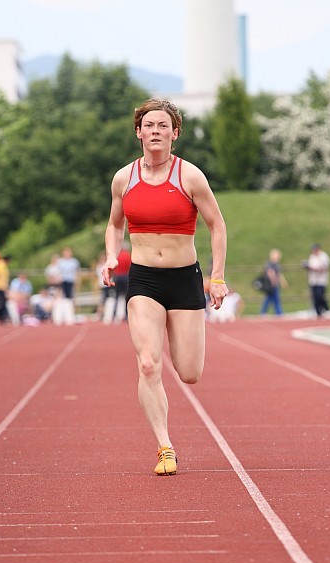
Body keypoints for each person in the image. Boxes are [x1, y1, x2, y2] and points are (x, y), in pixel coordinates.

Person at [102, 98, 228, 476]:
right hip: (144, 280)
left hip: (184, 277)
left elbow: (217, 226)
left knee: (189, 372)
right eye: (149, 125)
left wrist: (217, 277)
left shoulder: (190, 176)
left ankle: (166, 438)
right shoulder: (124, 178)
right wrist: (112, 255)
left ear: (175, 134)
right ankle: (164, 446)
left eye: (163, 126)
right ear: (138, 132)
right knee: (148, 362)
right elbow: (113, 224)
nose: (155, 131)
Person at [303, 243, 330, 318]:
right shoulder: (312, 257)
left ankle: (326, 309)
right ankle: (318, 313)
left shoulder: (324, 256)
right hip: (313, 280)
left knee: (320, 296)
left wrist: (314, 268)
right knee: (314, 297)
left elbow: (324, 268)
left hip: (321, 280)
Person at [260, 248, 287, 316]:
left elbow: (279, 274)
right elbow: (270, 273)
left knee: (272, 299)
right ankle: (278, 312)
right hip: (270, 285)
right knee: (272, 299)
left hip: (275, 284)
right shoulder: (270, 264)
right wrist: (273, 282)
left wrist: (283, 282)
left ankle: (276, 312)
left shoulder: (276, 264)